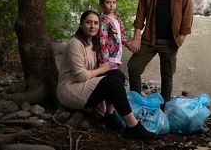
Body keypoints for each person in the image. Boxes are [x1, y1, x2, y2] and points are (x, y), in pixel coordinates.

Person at [56, 10, 155, 140]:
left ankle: (109, 114)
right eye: (88, 22)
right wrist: (103, 70)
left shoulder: (94, 41)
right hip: (70, 88)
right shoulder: (75, 43)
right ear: (81, 25)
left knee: (117, 75)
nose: (93, 26)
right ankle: (134, 127)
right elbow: (80, 76)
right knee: (112, 83)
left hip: (84, 82)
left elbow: (115, 43)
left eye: (96, 23)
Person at [128, 0, 193, 106]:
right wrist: (136, 38)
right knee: (133, 68)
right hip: (149, 38)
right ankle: (137, 103)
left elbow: (188, 14)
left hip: (171, 40)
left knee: (167, 75)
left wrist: (182, 37)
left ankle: (164, 107)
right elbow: (140, 15)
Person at [97, 0, 133, 74]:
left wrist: (130, 45)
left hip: (117, 57)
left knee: (114, 77)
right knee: (111, 77)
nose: (111, 5)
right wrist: (104, 61)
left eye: (114, 2)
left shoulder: (117, 19)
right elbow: (102, 42)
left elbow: (122, 36)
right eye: (108, 2)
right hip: (108, 59)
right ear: (102, 4)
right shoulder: (103, 21)